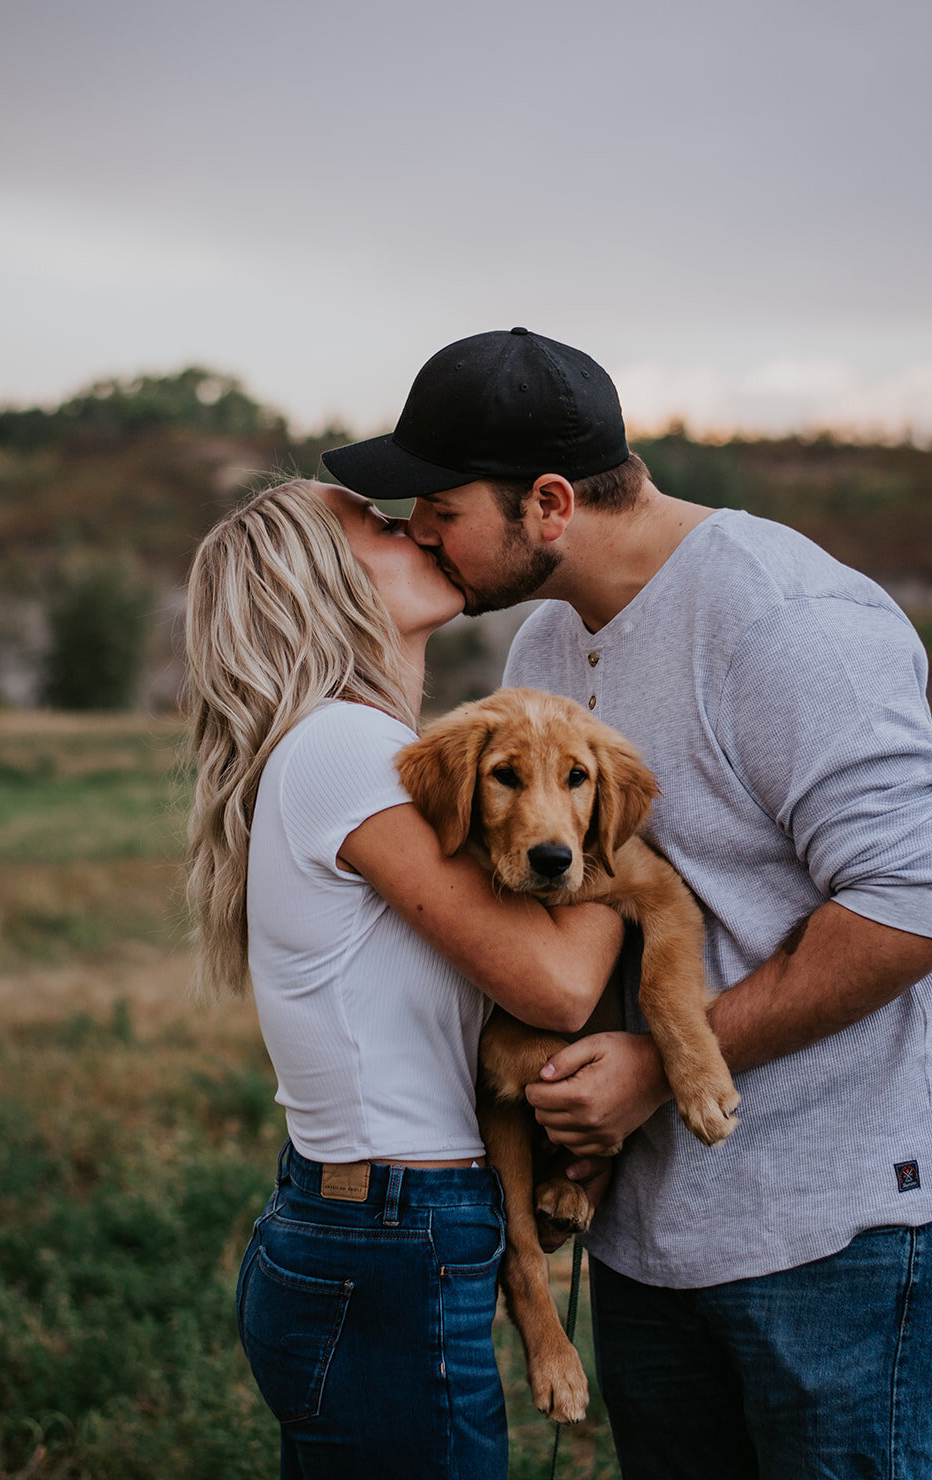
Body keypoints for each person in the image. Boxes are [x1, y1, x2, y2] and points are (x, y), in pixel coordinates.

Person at [322, 327, 932, 1480]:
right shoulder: (546, 641)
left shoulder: (788, 621)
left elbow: (917, 904)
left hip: (833, 1236)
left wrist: (660, 1062)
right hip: (645, 1233)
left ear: (551, 502)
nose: (417, 528)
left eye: (440, 503)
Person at [183, 476, 622, 1480]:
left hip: (373, 1226)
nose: (419, 525)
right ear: (319, 583)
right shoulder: (350, 747)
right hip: (388, 1238)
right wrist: (619, 858)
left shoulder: (345, 748)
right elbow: (552, 986)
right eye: (379, 525)